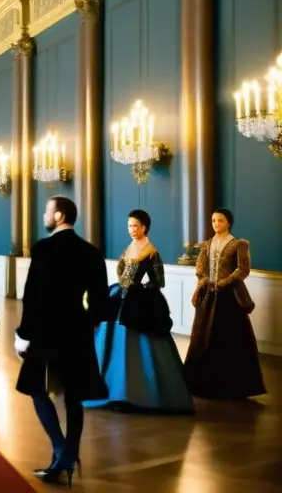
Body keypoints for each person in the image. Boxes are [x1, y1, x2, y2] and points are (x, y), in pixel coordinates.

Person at [14, 196, 108, 488]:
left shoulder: (43, 249)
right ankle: (68, 454)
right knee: (74, 395)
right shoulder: (91, 252)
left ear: (59, 216)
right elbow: (101, 300)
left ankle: (59, 448)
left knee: (36, 388)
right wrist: (90, 322)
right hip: (77, 329)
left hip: (45, 329)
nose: (44, 213)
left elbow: (33, 296)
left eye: (47, 210)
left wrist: (24, 333)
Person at [84, 210, 192, 414]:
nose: (132, 230)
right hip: (119, 295)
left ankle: (136, 391)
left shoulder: (151, 251)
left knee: (137, 343)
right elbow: (121, 271)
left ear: (145, 227)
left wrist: (142, 290)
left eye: (135, 226)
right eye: (129, 226)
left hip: (137, 299)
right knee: (107, 338)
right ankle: (110, 389)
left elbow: (158, 280)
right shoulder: (129, 247)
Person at [184, 208, 266, 399]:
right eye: (213, 220)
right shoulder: (207, 244)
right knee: (202, 336)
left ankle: (231, 385)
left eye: (220, 220)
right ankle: (199, 382)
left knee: (228, 336)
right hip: (208, 296)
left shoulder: (239, 244)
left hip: (229, 297)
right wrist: (204, 280)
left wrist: (225, 282)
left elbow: (243, 269)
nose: (216, 224)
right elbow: (200, 267)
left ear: (228, 222)